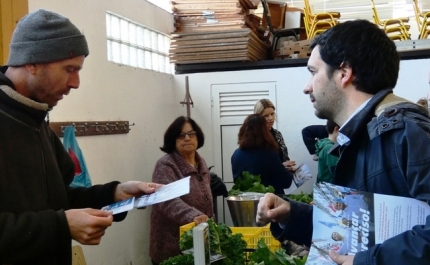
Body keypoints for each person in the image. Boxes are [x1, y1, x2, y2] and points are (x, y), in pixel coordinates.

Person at [256, 19, 430, 265]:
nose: (307, 88)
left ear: (344, 73)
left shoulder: (406, 133)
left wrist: (365, 261)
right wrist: (292, 214)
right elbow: (349, 232)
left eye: (314, 72)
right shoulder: (364, 137)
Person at [0, 9, 163, 265]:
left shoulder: (36, 119)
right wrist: (60, 225)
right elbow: (57, 218)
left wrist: (114, 194)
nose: (75, 83)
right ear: (31, 63)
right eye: (69, 69)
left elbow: (59, 201)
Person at [149, 116, 214, 265]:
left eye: (191, 133)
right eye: (181, 135)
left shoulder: (200, 162)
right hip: (171, 248)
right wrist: (194, 215)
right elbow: (166, 200)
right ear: (173, 140)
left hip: (197, 243)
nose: (187, 138)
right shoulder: (166, 165)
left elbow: (207, 199)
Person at [231, 114, 293, 195]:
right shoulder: (269, 154)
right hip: (268, 202)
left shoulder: (236, 154)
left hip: (244, 203)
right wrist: (289, 172)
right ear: (265, 133)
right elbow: (286, 182)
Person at [254, 99, 296, 171]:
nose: (270, 118)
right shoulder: (254, 137)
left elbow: (284, 158)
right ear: (258, 117)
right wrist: (280, 166)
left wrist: (290, 167)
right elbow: (256, 164)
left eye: (272, 114)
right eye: (265, 116)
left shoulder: (277, 134)